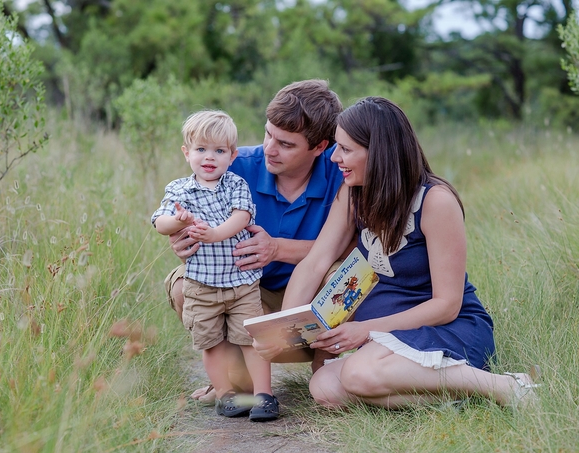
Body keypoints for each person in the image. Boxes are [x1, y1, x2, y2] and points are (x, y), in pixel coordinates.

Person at [255, 96, 539, 409]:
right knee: (324, 388)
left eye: (346, 149)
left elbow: (447, 305)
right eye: (336, 146)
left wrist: (364, 329)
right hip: (386, 335)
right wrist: (282, 329)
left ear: (379, 153)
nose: (335, 158)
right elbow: (315, 263)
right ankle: (454, 397)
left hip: (443, 328)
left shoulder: (435, 202)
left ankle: (503, 386)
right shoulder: (353, 193)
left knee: (358, 375)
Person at [164, 80, 347, 403]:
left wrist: (277, 248)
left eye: (286, 144)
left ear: (320, 147)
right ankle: (239, 381)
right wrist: (185, 245)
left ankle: (327, 375)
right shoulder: (234, 166)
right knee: (182, 284)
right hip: (248, 298)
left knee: (340, 277)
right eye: (268, 134)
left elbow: (357, 251)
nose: (269, 149)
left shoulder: (341, 171)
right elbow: (190, 227)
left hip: (311, 311)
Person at [152, 110, 280, 421]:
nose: (210, 157)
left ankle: (264, 395)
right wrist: (177, 221)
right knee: (211, 343)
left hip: (241, 282)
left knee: (252, 338)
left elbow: (242, 216)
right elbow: (160, 222)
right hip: (201, 283)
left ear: (232, 156)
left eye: (219, 151)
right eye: (201, 149)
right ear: (187, 153)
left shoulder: (235, 184)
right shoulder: (179, 190)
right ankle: (226, 394)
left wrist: (214, 234)